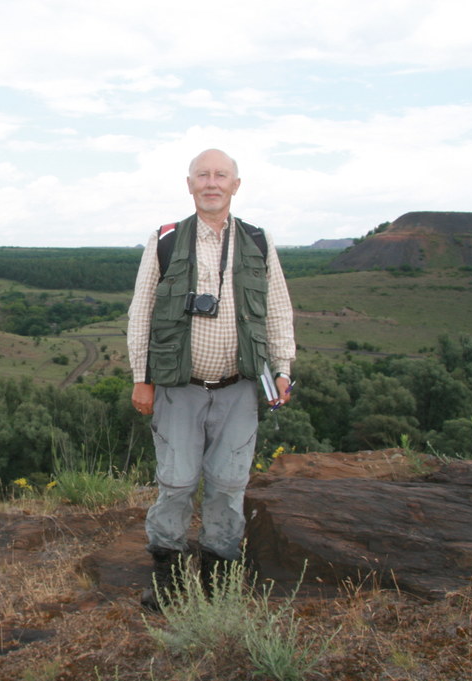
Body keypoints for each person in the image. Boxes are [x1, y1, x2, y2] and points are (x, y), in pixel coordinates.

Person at [126, 148, 296, 610]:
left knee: (228, 484)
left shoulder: (258, 241)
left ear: (236, 185)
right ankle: (169, 578)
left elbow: (278, 309)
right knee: (177, 482)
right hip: (179, 386)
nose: (212, 182)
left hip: (239, 387)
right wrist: (142, 377)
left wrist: (282, 369)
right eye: (203, 175)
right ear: (189, 184)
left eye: (221, 175)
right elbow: (141, 311)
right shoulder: (165, 239)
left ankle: (220, 576)